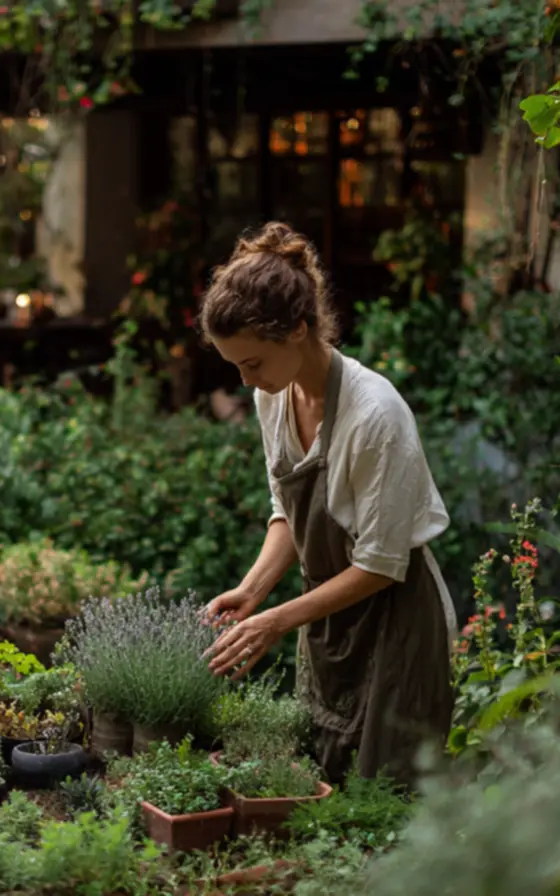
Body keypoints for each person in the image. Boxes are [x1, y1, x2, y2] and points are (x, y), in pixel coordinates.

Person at [200, 221, 457, 787]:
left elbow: (382, 565)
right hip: (328, 623)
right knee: (321, 783)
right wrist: (254, 589)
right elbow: (290, 512)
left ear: (296, 330)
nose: (246, 382)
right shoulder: (277, 396)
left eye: (252, 364)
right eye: (236, 366)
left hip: (396, 627)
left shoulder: (376, 417)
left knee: (385, 798)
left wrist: (276, 622)